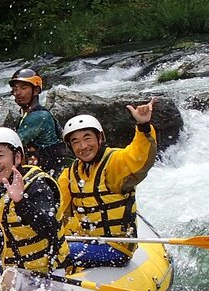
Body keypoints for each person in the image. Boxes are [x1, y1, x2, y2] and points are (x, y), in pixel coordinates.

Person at [57, 98, 157, 269]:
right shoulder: (69, 175)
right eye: (75, 142)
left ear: (100, 137)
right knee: (47, 250)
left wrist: (143, 127)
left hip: (115, 248)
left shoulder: (114, 164)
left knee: (54, 252)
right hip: (86, 242)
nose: (83, 146)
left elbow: (139, 159)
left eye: (87, 138)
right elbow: (59, 213)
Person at [0, 127, 69, 291]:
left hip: (45, 276)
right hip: (13, 271)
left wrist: (21, 202)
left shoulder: (38, 184)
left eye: (0, 155)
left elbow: (48, 228)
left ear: (17, 157)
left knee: (4, 280)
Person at [8, 68, 68, 176]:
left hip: (48, 174)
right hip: (41, 171)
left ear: (35, 90)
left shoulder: (38, 117)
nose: (17, 92)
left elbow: (12, 144)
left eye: (23, 87)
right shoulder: (27, 114)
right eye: (15, 88)